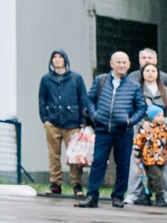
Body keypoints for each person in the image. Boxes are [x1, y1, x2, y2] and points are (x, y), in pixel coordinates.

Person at [80, 50, 145, 208]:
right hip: (103, 129)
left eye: (125, 62)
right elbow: (89, 99)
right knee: (98, 163)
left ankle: (118, 196)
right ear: (112, 64)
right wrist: (95, 115)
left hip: (123, 131)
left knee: (122, 164)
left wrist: (130, 121)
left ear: (129, 65)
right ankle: (92, 196)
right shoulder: (100, 80)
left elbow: (141, 108)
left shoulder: (134, 85)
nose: (122, 65)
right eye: (118, 62)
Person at [38, 51, 88, 196]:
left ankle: (76, 184)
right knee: (53, 154)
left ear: (65, 60)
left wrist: (83, 121)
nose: (57, 60)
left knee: (74, 155)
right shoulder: (46, 79)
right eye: (54, 57)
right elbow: (42, 99)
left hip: (72, 123)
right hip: (52, 122)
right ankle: (55, 183)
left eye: (60, 57)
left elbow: (83, 99)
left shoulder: (76, 78)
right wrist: (45, 119)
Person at [133, 100, 167, 209]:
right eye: (158, 116)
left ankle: (145, 196)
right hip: (149, 159)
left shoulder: (163, 129)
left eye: (162, 115)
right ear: (152, 117)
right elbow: (138, 142)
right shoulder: (146, 129)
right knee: (157, 177)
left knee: (151, 178)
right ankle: (159, 196)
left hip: (160, 158)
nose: (161, 118)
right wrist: (137, 155)